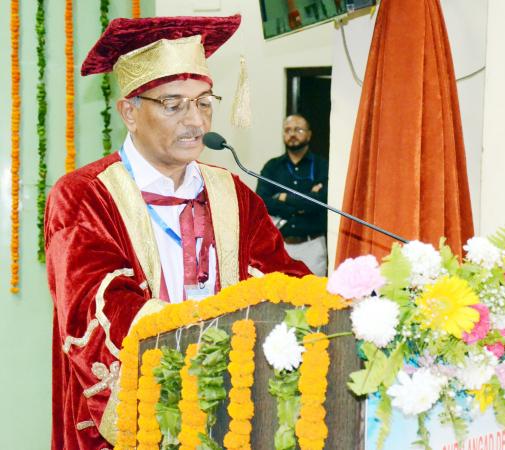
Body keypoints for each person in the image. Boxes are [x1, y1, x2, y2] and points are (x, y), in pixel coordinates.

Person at [44, 15, 309, 450]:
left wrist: (343, 301)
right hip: (141, 419)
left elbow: (281, 278)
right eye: (174, 104)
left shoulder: (232, 193)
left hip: (231, 414)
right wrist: (205, 348)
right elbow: (98, 311)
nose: (196, 122)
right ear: (130, 111)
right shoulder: (85, 196)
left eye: (204, 102)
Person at [257, 114, 329, 276]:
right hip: (281, 245)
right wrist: (304, 202)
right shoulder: (272, 167)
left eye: (298, 129)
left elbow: (321, 202)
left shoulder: (322, 166)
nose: (292, 134)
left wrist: (283, 197)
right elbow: (262, 202)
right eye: (288, 130)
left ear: (309, 134)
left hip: (312, 245)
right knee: (278, 299)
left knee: (315, 298)